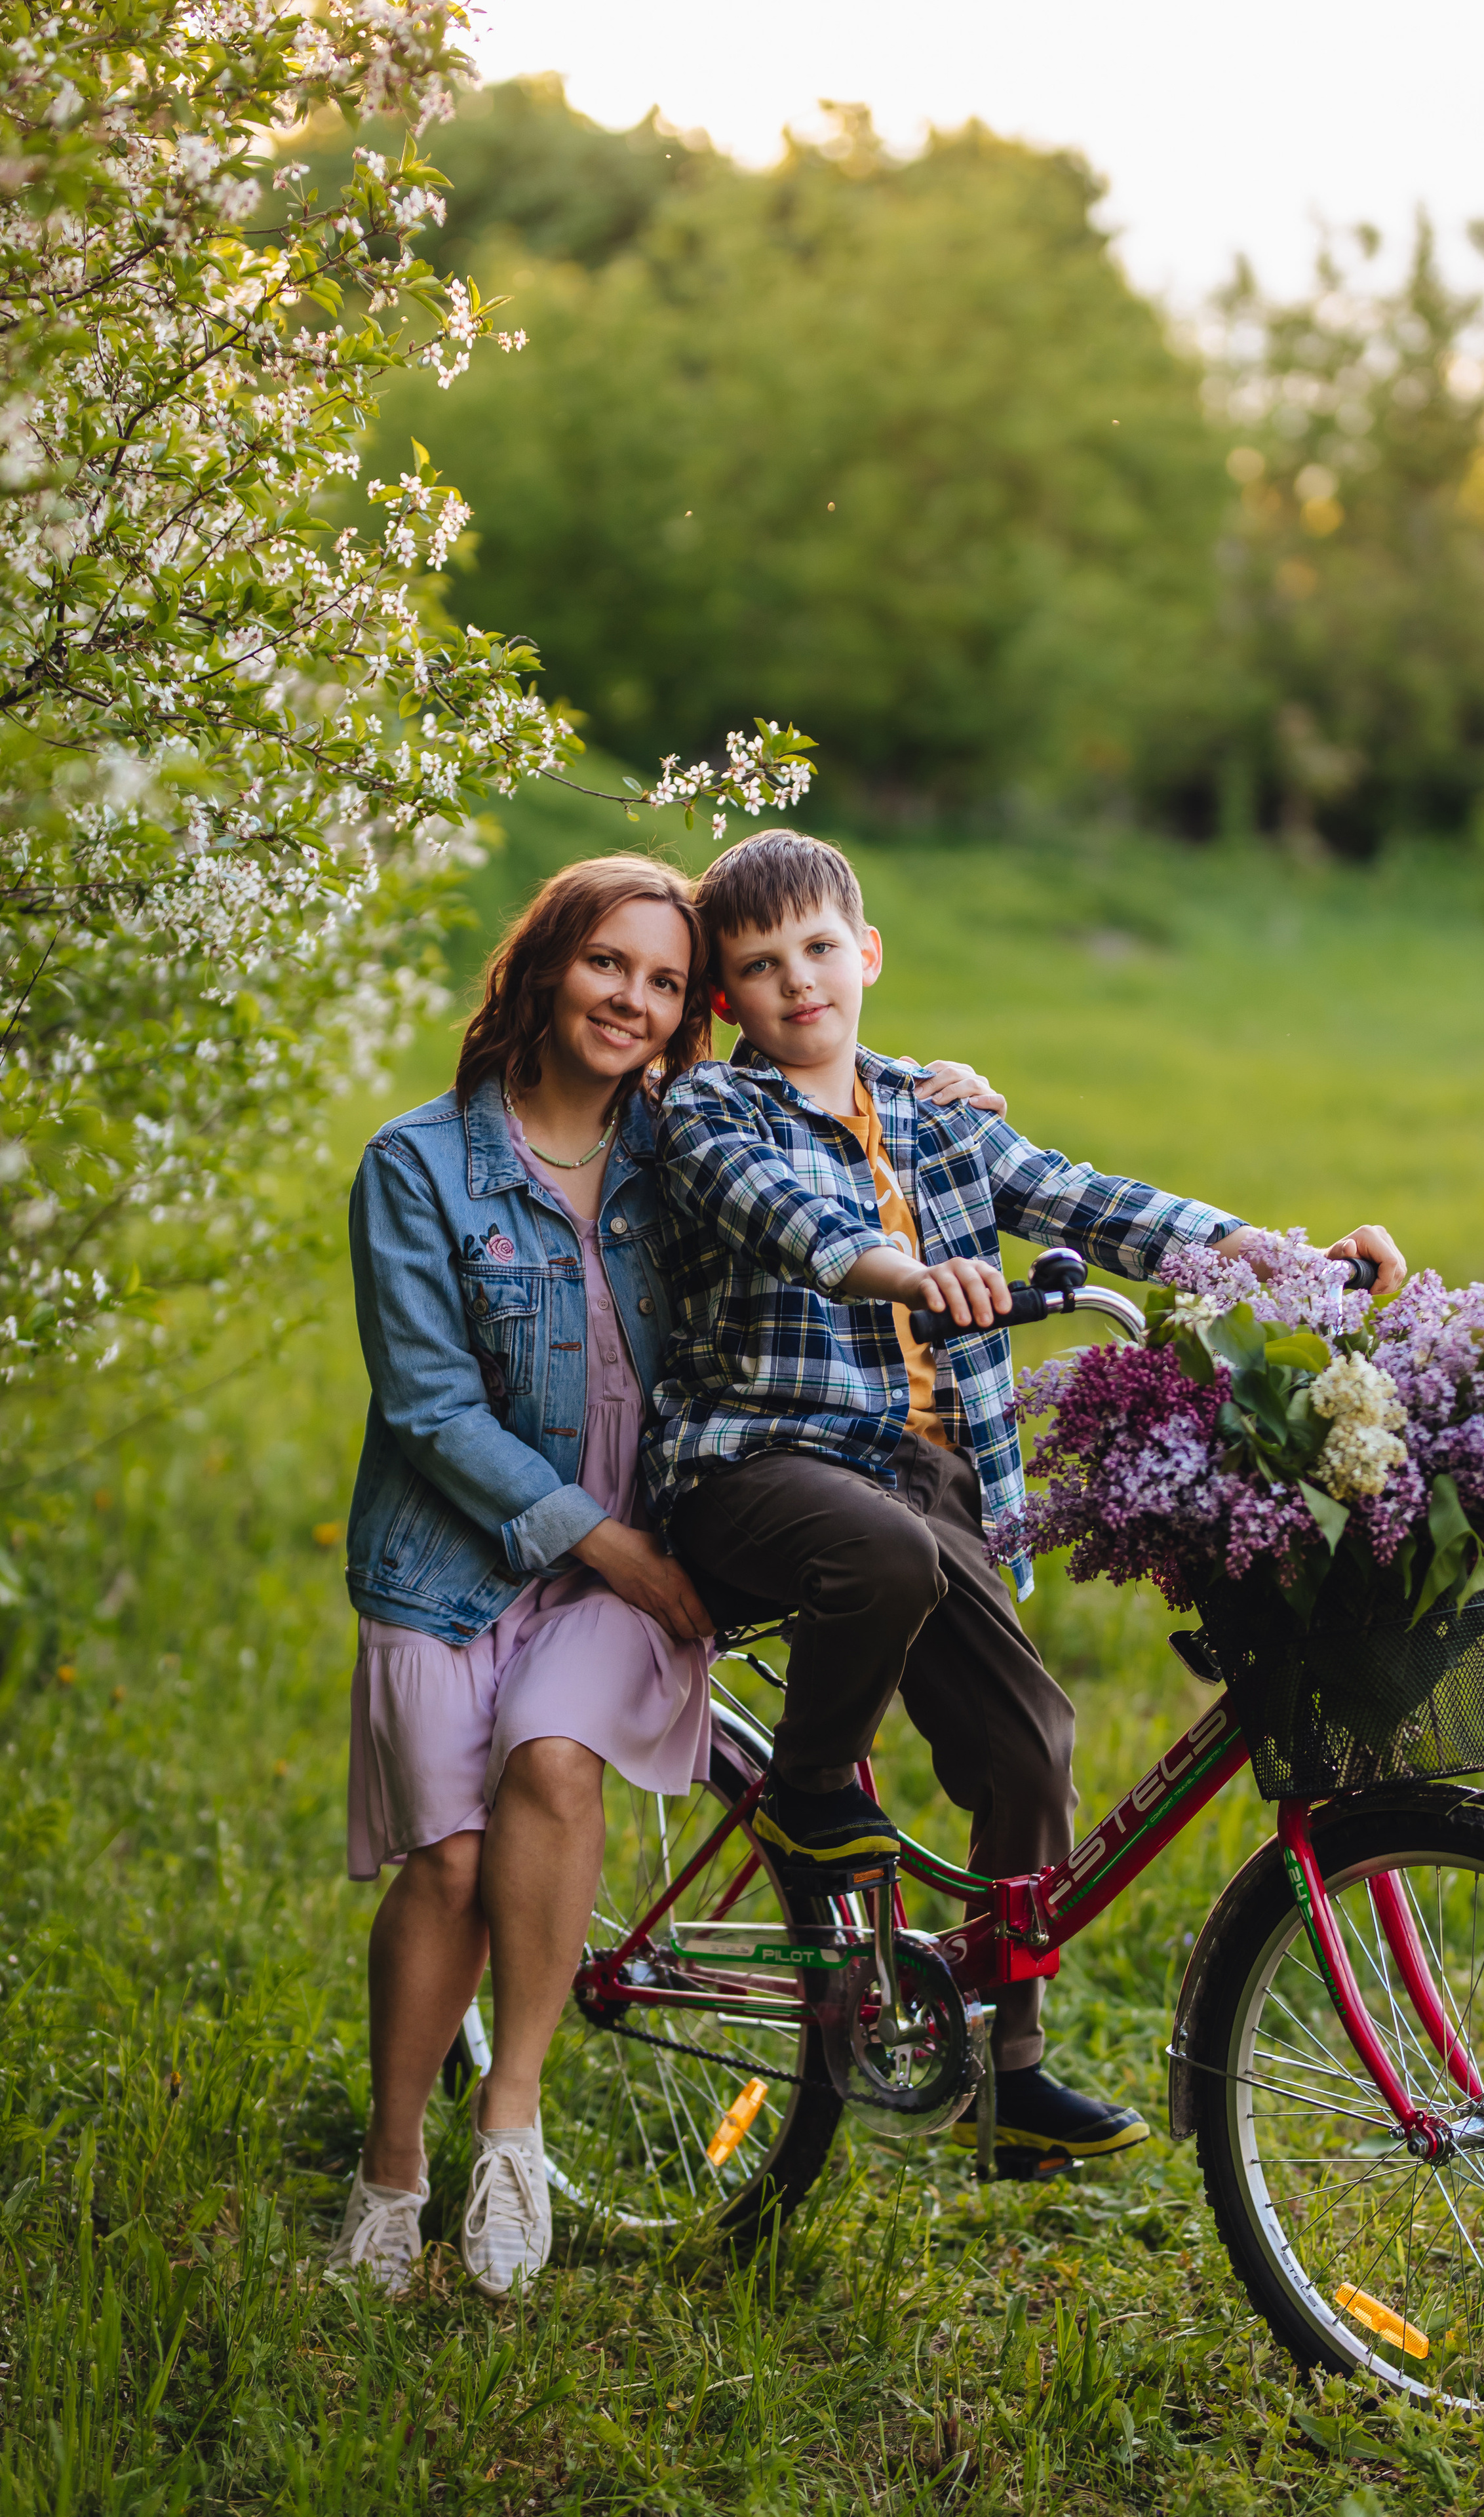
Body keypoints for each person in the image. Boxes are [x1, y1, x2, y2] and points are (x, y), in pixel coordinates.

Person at [651, 830, 1405, 2179]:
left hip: (935, 1488)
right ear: (726, 1000)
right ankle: (806, 1789)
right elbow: (784, 1219)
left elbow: (1092, 1202)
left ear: (866, 954)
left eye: (819, 950)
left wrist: (1286, 1257)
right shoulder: (708, 1114)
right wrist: (901, 1271)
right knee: (877, 1549)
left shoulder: (942, 1112)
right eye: (759, 969)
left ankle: (1007, 2075)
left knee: (1029, 1753)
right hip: (760, 1467)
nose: (797, 984)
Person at [327, 852, 1007, 2295]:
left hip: (622, 1567)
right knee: (446, 1864)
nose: (629, 1001)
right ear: (543, 967)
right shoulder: (416, 1167)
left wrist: (919, 1086)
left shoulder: (676, 1142)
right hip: (458, 1560)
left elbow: (808, 1108)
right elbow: (433, 1411)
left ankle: (509, 2119)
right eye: (603, 966)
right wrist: (612, 1543)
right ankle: (392, 2165)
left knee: (554, 1765)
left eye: (658, 979)